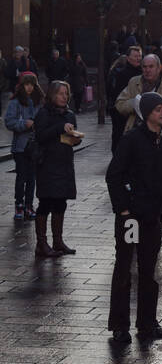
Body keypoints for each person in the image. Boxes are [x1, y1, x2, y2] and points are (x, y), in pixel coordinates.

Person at [105, 92, 162, 344]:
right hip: (132, 218)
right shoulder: (132, 140)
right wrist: (124, 209)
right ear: (147, 113)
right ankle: (120, 325)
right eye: (158, 109)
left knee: (149, 269)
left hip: (152, 218)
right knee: (125, 266)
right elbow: (113, 175)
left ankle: (147, 322)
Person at [115, 53, 162, 175]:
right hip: (136, 137)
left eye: (151, 66)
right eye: (144, 67)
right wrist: (136, 103)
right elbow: (120, 103)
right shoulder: (134, 83)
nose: (147, 70)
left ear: (159, 68)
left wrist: (158, 108)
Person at [33, 80, 80, 258]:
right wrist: (60, 127)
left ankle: (58, 241)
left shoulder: (70, 114)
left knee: (61, 202)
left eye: (66, 93)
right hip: (47, 165)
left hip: (64, 164)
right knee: (46, 202)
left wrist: (76, 138)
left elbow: (69, 139)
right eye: (60, 93)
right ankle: (41, 244)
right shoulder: (44, 113)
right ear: (52, 95)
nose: (64, 97)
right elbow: (41, 136)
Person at [5, 72, 43, 221]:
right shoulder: (15, 102)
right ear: (22, 85)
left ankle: (29, 205)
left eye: (32, 84)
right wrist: (24, 124)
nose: (30, 88)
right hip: (20, 147)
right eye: (27, 84)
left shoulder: (38, 101)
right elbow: (9, 121)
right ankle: (19, 205)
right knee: (21, 177)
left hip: (34, 147)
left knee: (32, 178)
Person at [107, 46, 142, 153]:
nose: (138, 58)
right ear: (128, 58)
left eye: (140, 56)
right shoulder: (121, 74)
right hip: (121, 113)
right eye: (135, 56)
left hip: (139, 113)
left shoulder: (144, 73)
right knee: (119, 138)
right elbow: (115, 93)